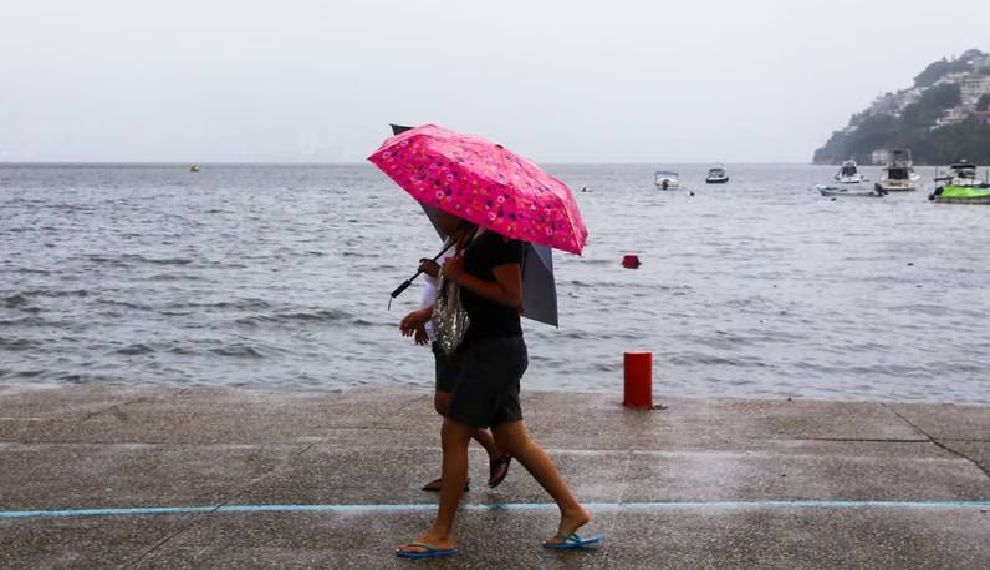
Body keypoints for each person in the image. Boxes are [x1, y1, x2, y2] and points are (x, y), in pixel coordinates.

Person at [396, 211, 597, 558]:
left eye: (442, 209)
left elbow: (512, 297)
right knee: (512, 439)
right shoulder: (474, 238)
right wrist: (445, 285)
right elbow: (468, 296)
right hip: (491, 350)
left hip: (495, 354)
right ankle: (572, 511)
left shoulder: (501, 240)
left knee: (454, 434)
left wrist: (457, 275)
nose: (436, 215)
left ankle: (441, 533)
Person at [399, 220, 512, 493]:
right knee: (448, 410)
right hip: (441, 329)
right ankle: (459, 472)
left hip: (455, 333)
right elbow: (443, 290)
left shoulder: (474, 245)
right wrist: (426, 321)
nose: (438, 216)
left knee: (448, 407)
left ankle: (488, 453)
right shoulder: (455, 241)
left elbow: (460, 290)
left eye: (444, 212)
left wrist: (436, 274)